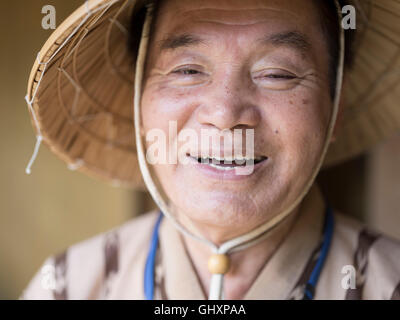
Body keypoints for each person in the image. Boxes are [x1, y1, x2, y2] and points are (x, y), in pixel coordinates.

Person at [21, 0, 400, 300]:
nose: (224, 114)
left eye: (277, 74)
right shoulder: (65, 287)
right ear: (138, 103)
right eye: (187, 70)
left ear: (334, 110)